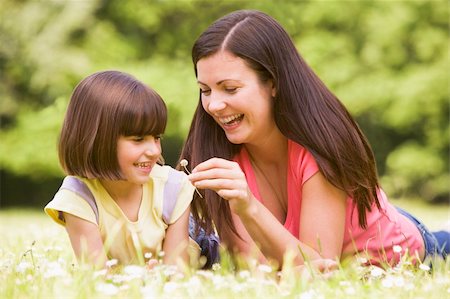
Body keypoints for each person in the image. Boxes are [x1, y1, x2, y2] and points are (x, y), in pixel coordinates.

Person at [180, 10, 449, 269]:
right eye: (205, 90)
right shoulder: (219, 155)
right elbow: (262, 270)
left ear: (273, 82)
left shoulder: (320, 147)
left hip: (409, 248)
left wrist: (249, 207)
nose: (214, 105)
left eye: (230, 88)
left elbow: (318, 269)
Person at [45, 70, 198, 268]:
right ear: (98, 141)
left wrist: (162, 278)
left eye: (157, 137)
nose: (153, 151)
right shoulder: (79, 197)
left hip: (201, 243)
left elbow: (177, 272)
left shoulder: (173, 187)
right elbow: (97, 276)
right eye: (138, 139)